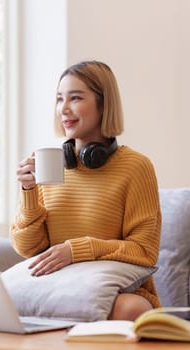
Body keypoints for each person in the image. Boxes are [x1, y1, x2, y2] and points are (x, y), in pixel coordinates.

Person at [11, 60, 162, 321]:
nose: (64, 109)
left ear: (104, 104)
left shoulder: (136, 167)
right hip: (59, 290)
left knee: (130, 308)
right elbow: (28, 248)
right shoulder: (50, 164)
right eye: (60, 99)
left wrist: (76, 250)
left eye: (75, 98)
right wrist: (28, 192)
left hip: (116, 292)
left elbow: (144, 251)